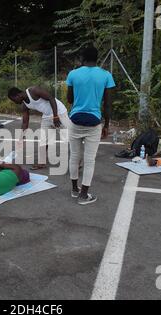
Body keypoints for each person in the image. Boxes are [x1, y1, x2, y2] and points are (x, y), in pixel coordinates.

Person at [66, 46, 115, 205]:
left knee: (74, 156)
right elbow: (107, 104)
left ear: (82, 58)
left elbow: (69, 99)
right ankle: (84, 195)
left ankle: (74, 190)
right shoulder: (106, 75)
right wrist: (106, 125)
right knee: (89, 160)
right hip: (94, 121)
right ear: (97, 58)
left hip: (75, 120)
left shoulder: (73, 74)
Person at [8, 86, 71, 170]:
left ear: (18, 95)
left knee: (69, 138)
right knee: (43, 140)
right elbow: (25, 122)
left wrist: (56, 116)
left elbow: (51, 98)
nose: (15, 102)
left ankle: (77, 161)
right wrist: (21, 137)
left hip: (59, 112)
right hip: (46, 116)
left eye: (14, 100)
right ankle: (42, 162)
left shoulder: (33, 91)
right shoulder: (24, 105)